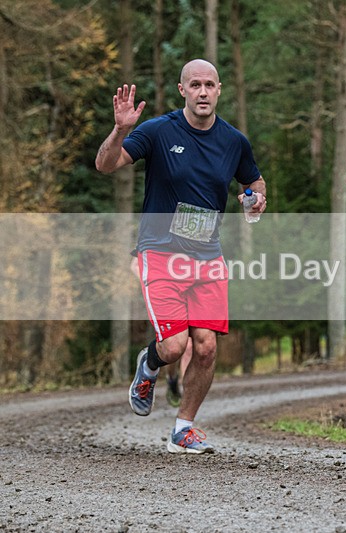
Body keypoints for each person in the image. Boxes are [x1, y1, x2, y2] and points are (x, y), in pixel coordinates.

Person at [96, 59, 267, 453]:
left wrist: (256, 199)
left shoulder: (233, 141)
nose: (203, 92)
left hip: (208, 256)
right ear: (182, 90)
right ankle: (150, 364)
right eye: (195, 85)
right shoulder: (157, 131)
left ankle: (183, 428)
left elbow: (252, 179)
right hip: (160, 253)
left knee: (205, 347)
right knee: (173, 348)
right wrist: (120, 130)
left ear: (219, 90)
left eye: (209, 85)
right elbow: (106, 165)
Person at [129, 253, 191, 408]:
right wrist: (150, 283)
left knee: (190, 346)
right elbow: (135, 265)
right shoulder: (158, 236)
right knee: (174, 348)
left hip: (191, 293)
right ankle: (172, 377)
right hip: (164, 296)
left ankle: (186, 390)